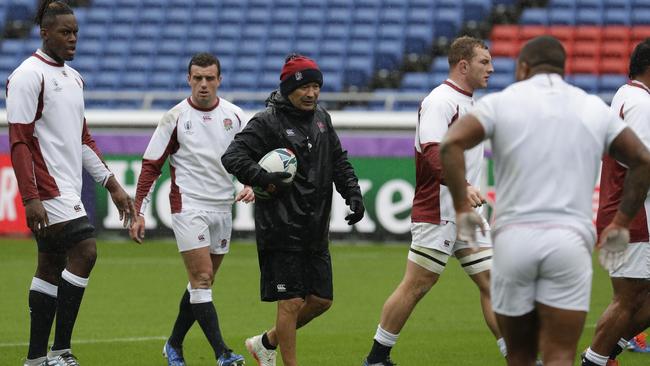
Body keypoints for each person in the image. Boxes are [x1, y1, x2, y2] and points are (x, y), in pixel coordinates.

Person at [439, 35, 650, 366]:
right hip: (568, 242)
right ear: (563, 69)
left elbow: (449, 144)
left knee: (521, 354)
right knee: (561, 353)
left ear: (523, 67)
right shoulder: (590, 105)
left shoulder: (501, 103)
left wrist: (462, 205)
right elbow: (642, 160)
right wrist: (622, 222)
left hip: (515, 240)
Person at [7, 1, 136, 366]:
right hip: (45, 189)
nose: (73, 38)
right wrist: (30, 197)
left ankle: (35, 359)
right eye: (65, 32)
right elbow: (19, 140)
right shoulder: (28, 75)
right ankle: (61, 351)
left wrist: (111, 184)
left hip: (66, 185)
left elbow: (82, 140)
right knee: (86, 251)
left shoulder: (74, 78)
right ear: (44, 32)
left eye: (76, 32)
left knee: (50, 265)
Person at [361, 36, 504, 366]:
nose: (492, 68)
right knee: (417, 285)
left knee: (494, 282)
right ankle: (376, 359)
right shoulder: (440, 101)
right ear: (463, 65)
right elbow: (431, 153)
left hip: (464, 213)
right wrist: (463, 185)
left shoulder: (471, 103)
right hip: (438, 210)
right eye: (485, 62)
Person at [221, 53, 365, 366]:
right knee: (291, 302)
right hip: (281, 227)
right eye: (305, 87)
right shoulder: (267, 121)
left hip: (315, 227)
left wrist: (352, 192)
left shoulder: (321, 119)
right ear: (289, 88)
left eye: (316, 86)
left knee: (321, 300)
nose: (312, 93)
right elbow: (232, 156)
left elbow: (338, 160)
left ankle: (265, 343)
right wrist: (262, 178)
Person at [129, 52, 252, 366]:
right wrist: (138, 211)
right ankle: (223, 353)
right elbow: (150, 165)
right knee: (201, 278)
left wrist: (251, 182)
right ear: (189, 80)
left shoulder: (236, 116)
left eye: (209, 78)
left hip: (224, 207)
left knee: (203, 283)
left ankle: (173, 344)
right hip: (189, 206)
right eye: (197, 78)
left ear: (219, 80)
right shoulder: (175, 117)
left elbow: (252, 157)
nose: (203, 85)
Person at [582, 38, 650, 366]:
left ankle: (603, 353)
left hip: (627, 211)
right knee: (628, 298)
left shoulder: (627, 95)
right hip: (633, 215)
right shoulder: (641, 104)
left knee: (633, 297)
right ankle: (594, 360)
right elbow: (641, 163)